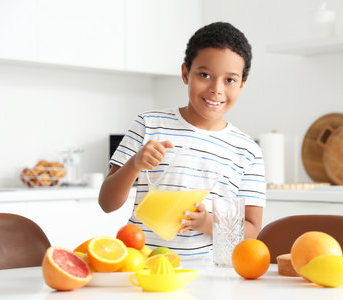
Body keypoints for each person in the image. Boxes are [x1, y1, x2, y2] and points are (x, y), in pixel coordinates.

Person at [99, 22, 266, 259]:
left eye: (229, 80)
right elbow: (107, 203)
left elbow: (252, 231)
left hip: (207, 274)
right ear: (186, 73)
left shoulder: (247, 150)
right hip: (142, 265)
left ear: (242, 84)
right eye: (205, 75)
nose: (216, 89)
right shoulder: (149, 125)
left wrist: (208, 223)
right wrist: (134, 163)